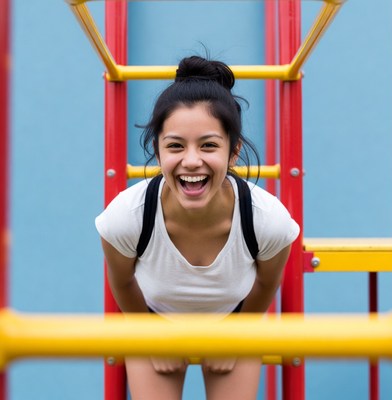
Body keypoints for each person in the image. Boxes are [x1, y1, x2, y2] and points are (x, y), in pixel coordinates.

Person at [95, 55, 300, 400]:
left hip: (236, 319)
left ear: (233, 152)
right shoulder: (127, 216)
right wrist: (149, 336)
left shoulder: (268, 220)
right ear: (158, 152)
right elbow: (123, 280)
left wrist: (236, 335)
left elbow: (267, 281)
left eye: (208, 145)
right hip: (152, 319)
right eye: (175, 146)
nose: (191, 160)